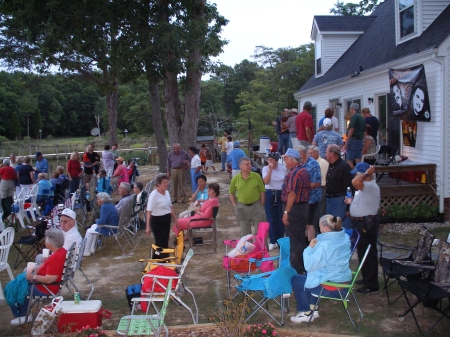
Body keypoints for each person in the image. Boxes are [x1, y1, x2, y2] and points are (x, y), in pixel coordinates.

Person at [290, 215, 351, 323]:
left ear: (326, 228)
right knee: (312, 275)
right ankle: (314, 308)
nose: (319, 229)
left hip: (332, 287)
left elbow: (308, 266)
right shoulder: (344, 237)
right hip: (344, 281)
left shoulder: (324, 245)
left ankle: (305, 312)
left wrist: (309, 248)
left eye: (320, 227)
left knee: (298, 279)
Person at [7, 228, 66, 325]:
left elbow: (50, 279)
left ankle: (22, 315)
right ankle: (22, 312)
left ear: (50, 243)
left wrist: (33, 277)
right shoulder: (61, 251)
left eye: (46, 239)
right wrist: (42, 266)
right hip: (46, 285)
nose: (45, 240)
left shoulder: (56, 258)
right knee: (17, 283)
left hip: (46, 288)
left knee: (15, 288)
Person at [349, 163, 380, 294]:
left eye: (357, 173)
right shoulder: (364, 188)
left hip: (367, 223)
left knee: (368, 252)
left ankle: (372, 283)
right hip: (360, 222)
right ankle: (367, 277)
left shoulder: (370, 186)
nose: (356, 175)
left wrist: (367, 173)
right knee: (362, 251)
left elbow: (355, 181)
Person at [281, 148, 310, 274]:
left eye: (286, 158)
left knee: (294, 240)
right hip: (302, 208)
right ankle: (302, 266)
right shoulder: (303, 170)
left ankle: (296, 269)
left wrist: (286, 213)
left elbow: (292, 194)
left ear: (292, 160)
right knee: (299, 237)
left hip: (294, 209)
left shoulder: (295, 173)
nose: (285, 161)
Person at [229, 157, 266, 236]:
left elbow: (262, 191)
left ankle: (260, 248)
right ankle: (248, 248)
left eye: (250, 164)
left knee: (260, 233)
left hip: (256, 206)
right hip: (242, 207)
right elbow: (231, 193)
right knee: (245, 235)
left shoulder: (256, 176)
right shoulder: (235, 178)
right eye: (247, 164)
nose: (250, 166)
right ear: (240, 166)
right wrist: (235, 205)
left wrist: (261, 205)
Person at [146, 174, 178, 255]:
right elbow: (149, 211)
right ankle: (164, 261)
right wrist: (147, 227)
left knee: (164, 241)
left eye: (167, 182)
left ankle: (156, 259)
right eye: (164, 182)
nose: (167, 184)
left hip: (166, 219)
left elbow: (170, 207)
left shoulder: (167, 192)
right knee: (161, 243)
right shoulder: (154, 195)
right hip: (157, 221)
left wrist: (175, 220)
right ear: (158, 184)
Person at [262, 152, 287, 250]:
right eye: (268, 160)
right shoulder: (265, 169)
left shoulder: (283, 169)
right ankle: (272, 240)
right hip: (270, 193)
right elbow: (266, 181)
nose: (269, 161)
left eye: (272, 160)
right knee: (271, 217)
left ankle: (280, 239)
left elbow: (285, 181)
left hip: (280, 193)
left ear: (276, 160)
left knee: (280, 217)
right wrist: (270, 170)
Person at [325, 144, 353, 230]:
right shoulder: (330, 165)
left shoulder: (344, 167)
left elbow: (349, 187)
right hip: (329, 200)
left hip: (340, 200)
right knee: (331, 225)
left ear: (332, 154)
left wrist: (348, 207)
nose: (325, 154)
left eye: (326, 152)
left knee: (341, 225)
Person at [297, 145, 321, 242]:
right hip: (301, 199)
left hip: (311, 199)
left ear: (302, 154)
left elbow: (317, 183)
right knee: (303, 223)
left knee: (309, 224)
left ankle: (312, 245)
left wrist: (301, 188)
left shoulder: (313, 164)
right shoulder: (299, 164)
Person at [307, 146, 329, 236]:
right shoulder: (309, 163)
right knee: (313, 214)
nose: (310, 155)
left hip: (321, 188)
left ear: (317, 153)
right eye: (309, 153)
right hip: (312, 191)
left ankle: (321, 233)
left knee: (320, 212)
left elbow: (322, 179)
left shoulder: (323, 163)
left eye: (312, 153)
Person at [344, 103, 365, 168]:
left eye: (350, 109)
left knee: (349, 160)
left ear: (352, 109)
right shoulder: (362, 117)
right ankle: (359, 174)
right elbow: (364, 130)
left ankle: (352, 175)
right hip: (360, 140)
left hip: (353, 140)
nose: (350, 111)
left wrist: (347, 141)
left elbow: (352, 129)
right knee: (358, 159)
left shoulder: (354, 117)